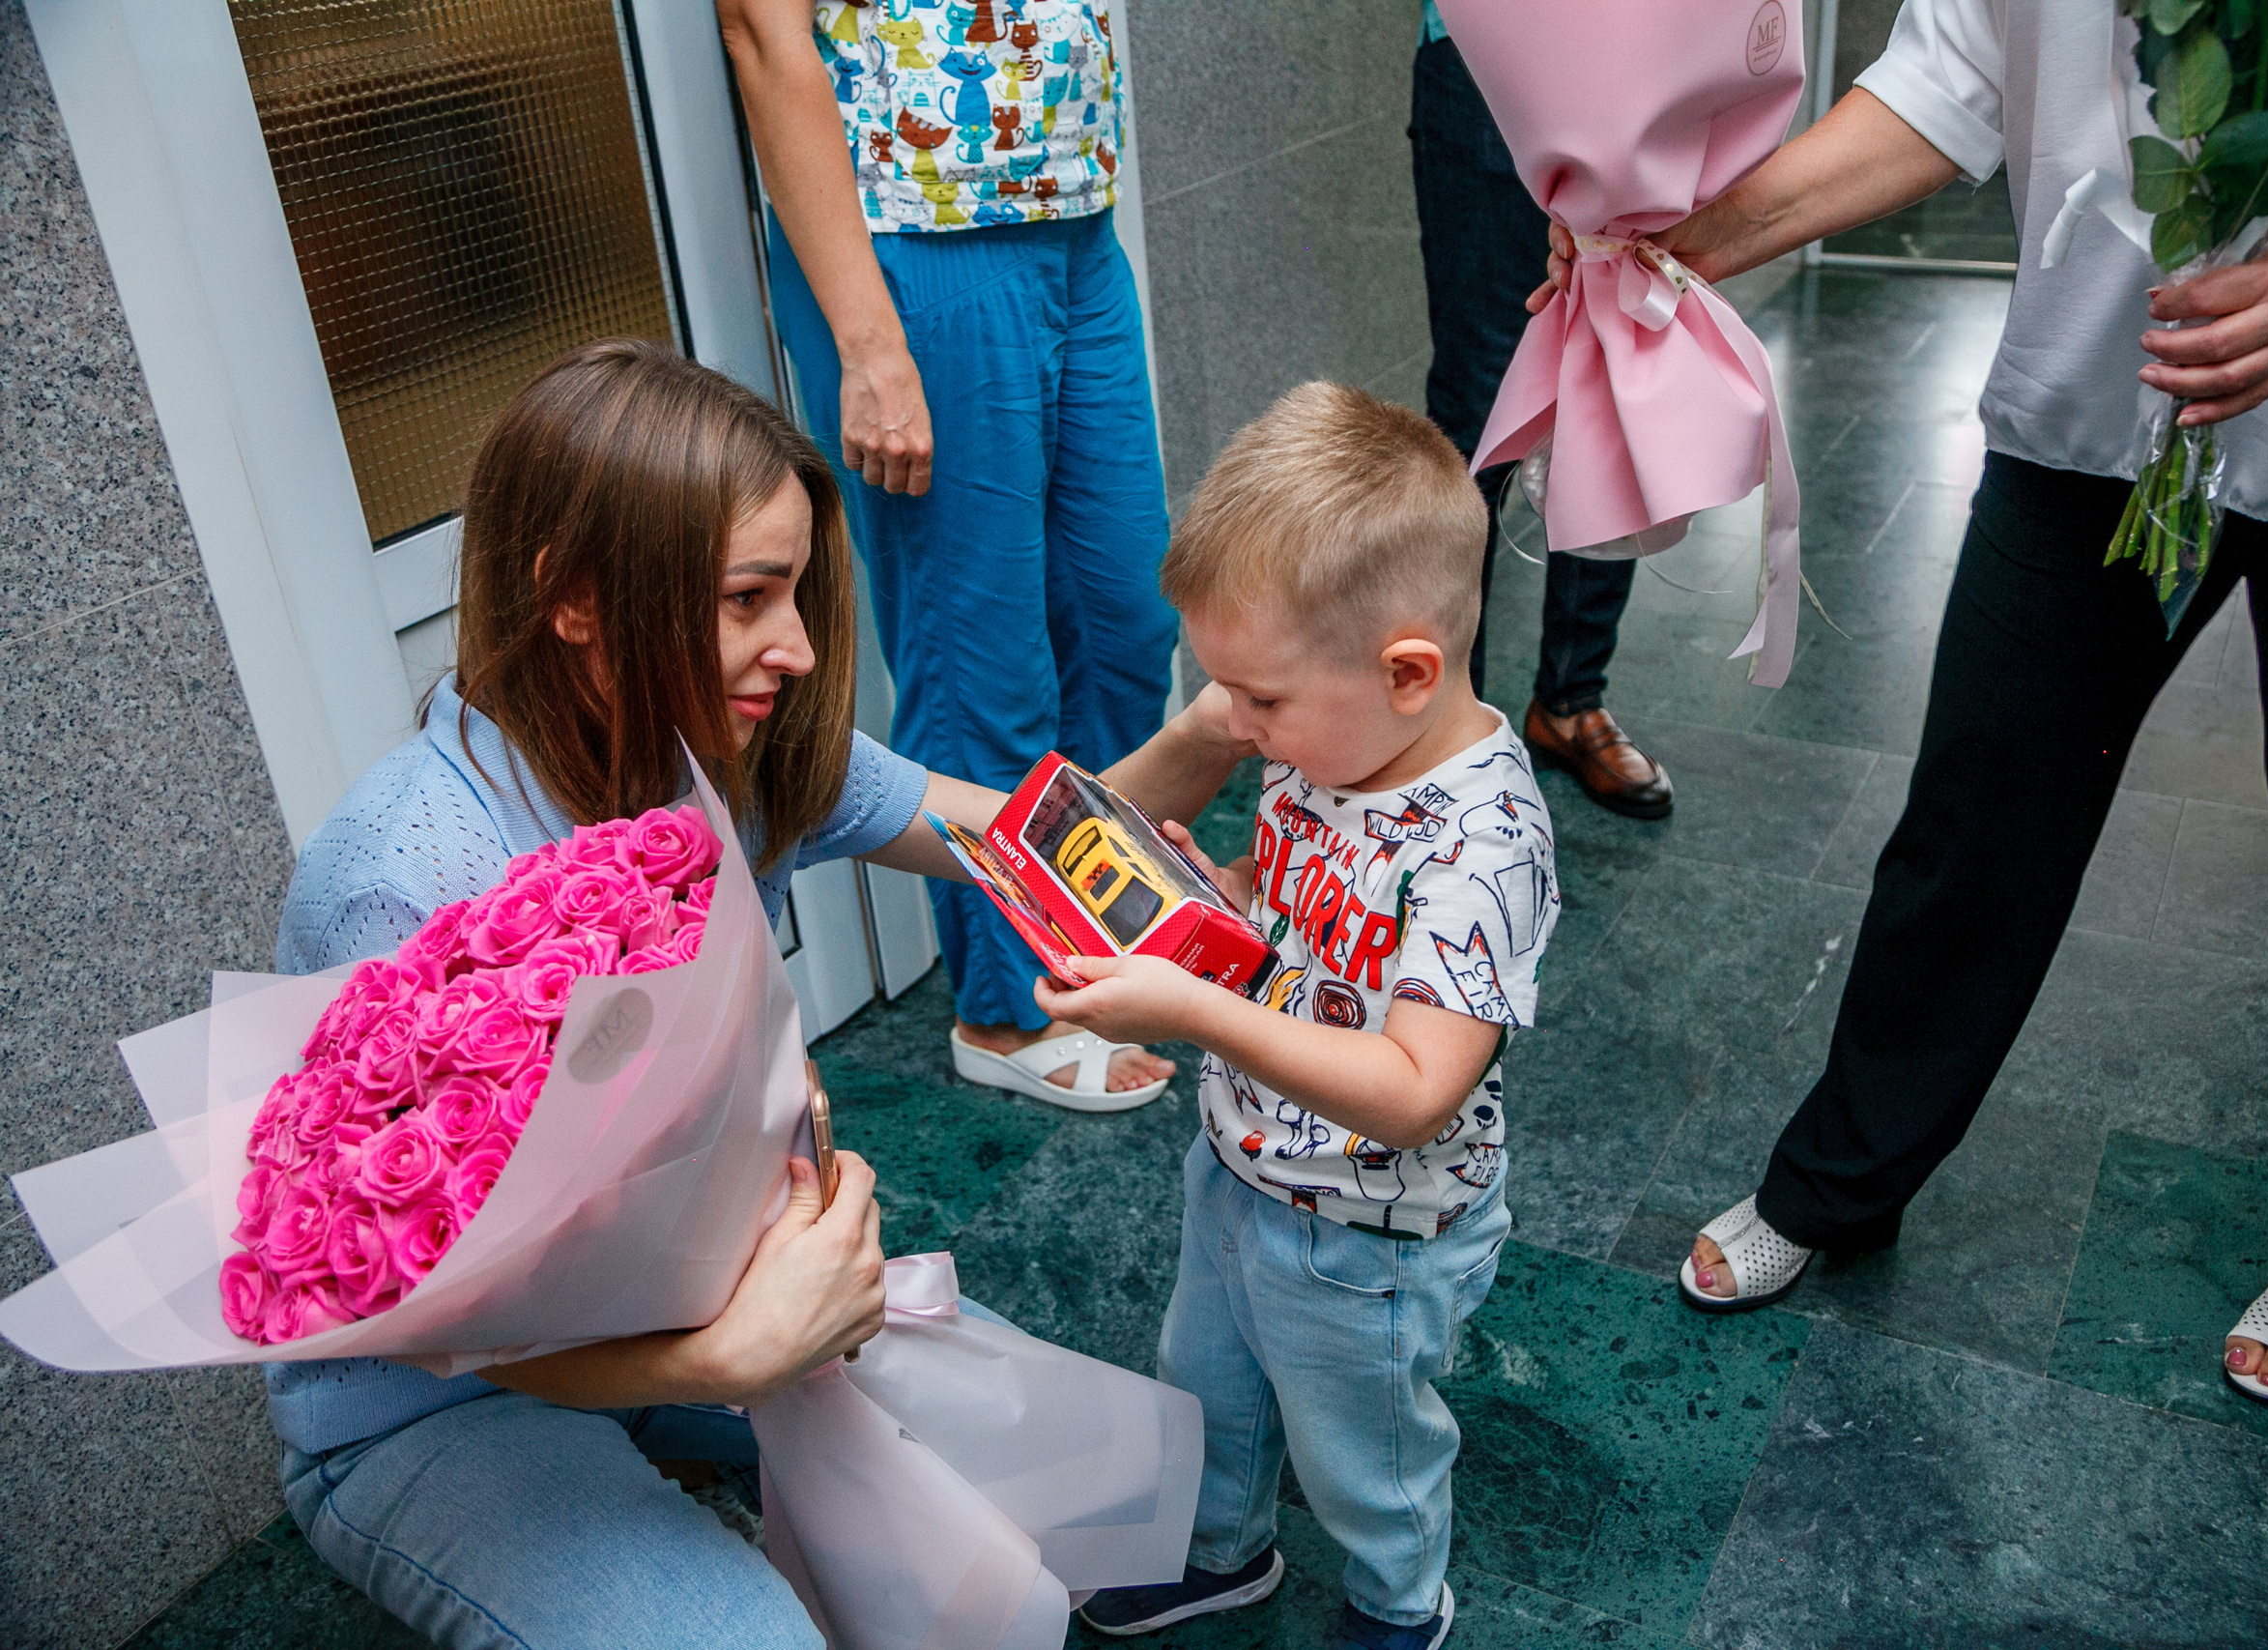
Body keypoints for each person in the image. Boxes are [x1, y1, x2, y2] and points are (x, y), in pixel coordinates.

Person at [1532, 3, 2268, 1406]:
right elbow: (1956, 71)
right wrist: (1689, 239)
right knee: (1976, 818)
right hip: (2097, 398)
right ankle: (1845, 1172)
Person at [272, 341, 1247, 1646]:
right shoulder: (400, 881)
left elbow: (1030, 845)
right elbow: (405, 1313)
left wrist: (1223, 727)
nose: (794, 648)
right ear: (574, 597)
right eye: (748, 597)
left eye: (793, 592)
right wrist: (725, 1363)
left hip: (694, 1300)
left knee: (1097, 1483)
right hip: (442, 1399)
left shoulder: (731, 742)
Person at [1061, 384, 1559, 1650]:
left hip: (1371, 1232)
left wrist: (1195, 1011)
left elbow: (1415, 1089)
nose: (1235, 725)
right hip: (1240, 1161)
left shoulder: (1483, 843)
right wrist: (1216, 898)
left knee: (1364, 1449)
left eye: (1260, 698)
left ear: (1408, 672)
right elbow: (1303, 914)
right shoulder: (1329, 745)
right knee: (1206, 1390)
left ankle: (1399, 1601)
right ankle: (1218, 1551)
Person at [721, 0, 1185, 1111]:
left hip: (1073, 214)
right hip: (914, 239)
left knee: (1127, 620)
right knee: (982, 661)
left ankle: (1109, 943)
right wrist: (869, 345)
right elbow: (762, 33)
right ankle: (1009, 1009)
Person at [1409, 2, 1673, 820]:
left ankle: (1570, 699)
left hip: (1635, 60)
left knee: (1613, 390)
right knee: (1477, 412)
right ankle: (1445, 727)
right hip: (1487, 53)